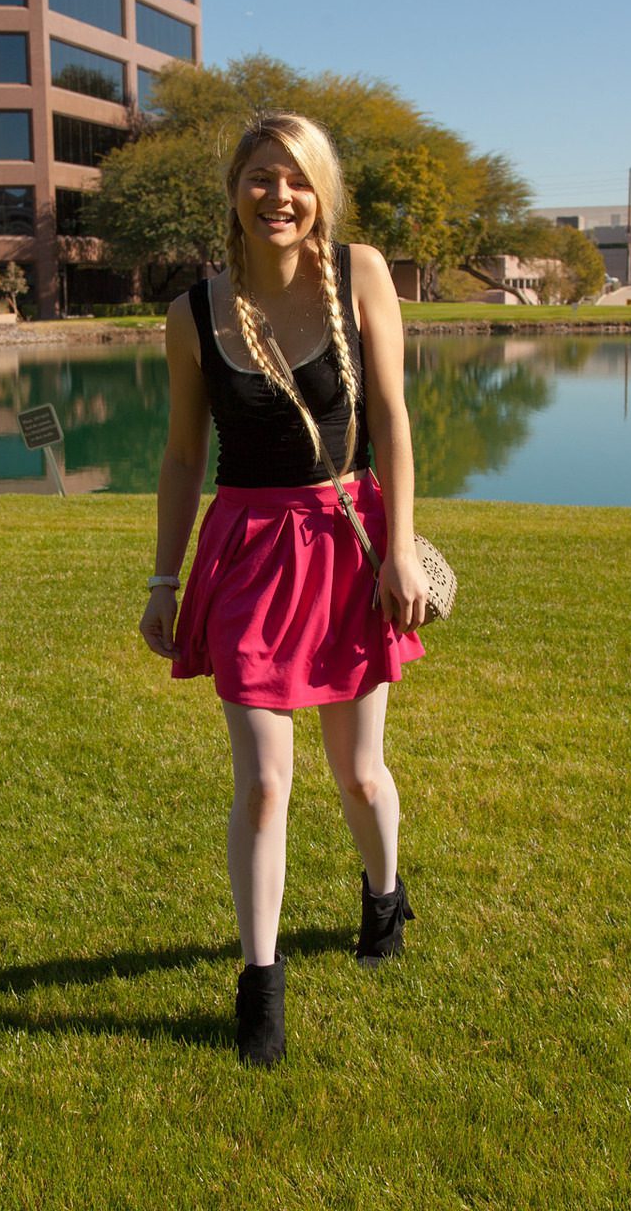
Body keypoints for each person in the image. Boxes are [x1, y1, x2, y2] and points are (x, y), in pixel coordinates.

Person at [138, 112, 430, 1067]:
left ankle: (383, 894)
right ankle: (259, 985)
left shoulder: (361, 274)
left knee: (359, 773)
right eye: (262, 176)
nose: (280, 195)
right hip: (248, 555)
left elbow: (392, 418)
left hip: (347, 547)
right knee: (264, 783)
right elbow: (183, 456)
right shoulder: (191, 314)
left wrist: (399, 549)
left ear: (321, 192)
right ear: (234, 190)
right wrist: (163, 579)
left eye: (298, 178)